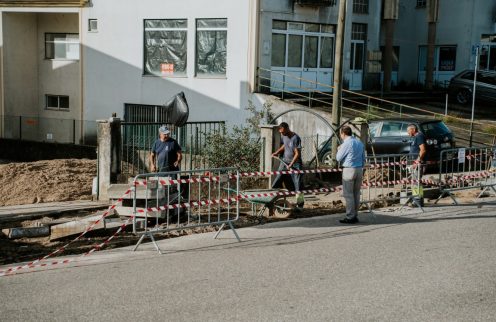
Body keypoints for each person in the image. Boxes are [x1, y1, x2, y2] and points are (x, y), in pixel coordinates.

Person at [336, 125, 365, 224]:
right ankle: (355, 215)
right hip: (359, 169)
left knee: (348, 195)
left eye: (341, 134)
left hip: (349, 169)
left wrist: (339, 149)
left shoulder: (346, 143)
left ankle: (350, 216)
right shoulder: (359, 142)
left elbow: (338, 158)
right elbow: (363, 158)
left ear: (343, 133)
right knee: (356, 193)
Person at [271, 122, 304, 208]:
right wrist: (276, 152)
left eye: (283, 132)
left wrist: (291, 164)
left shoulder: (296, 138)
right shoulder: (284, 136)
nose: (282, 134)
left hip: (295, 164)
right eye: (281, 132)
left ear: (287, 128)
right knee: (278, 177)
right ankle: (272, 198)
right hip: (285, 161)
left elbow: (297, 154)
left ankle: (300, 205)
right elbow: (284, 146)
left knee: (298, 184)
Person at [407, 124, 426, 207]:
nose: (408, 133)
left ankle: (417, 201)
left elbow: (423, 150)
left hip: (417, 163)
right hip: (414, 162)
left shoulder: (419, 136)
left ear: (413, 129)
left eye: (408, 131)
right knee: (417, 182)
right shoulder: (416, 137)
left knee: (416, 182)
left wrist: (417, 161)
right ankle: (419, 200)